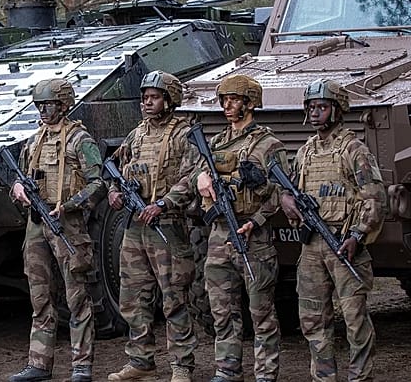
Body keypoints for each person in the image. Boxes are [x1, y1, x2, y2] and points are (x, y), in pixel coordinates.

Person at [172, 74, 286, 382]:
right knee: (222, 311)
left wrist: (255, 221)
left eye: (234, 100)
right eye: (224, 100)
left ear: (250, 103)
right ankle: (227, 369)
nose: (227, 105)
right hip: (219, 235)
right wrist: (200, 178)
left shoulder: (268, 144)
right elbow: (195, 172)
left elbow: (280, 192)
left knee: (261, 312)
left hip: (253, 237)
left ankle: (265, 374)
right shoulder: (216, 142)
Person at [280, 79, 385, 382]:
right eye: (311, 107)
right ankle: (324, 376)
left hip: (343, 243)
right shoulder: (305, 152)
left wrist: (357, 235)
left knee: (355, 318)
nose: (315, 113)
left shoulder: (354, 150)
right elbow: (287, 189)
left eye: (322, 107)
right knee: (313, 318)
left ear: (338, 110)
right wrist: (287, 201)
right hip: (312, 247)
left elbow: (375, 198)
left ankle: (360, 377)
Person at [8, 78, 105, 382]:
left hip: (67, 225)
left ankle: (81, 365)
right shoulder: (34, 141)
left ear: (63, 105)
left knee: (77, 297)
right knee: (40, 297)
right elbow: (21, 177)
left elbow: (98, 184)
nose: (42, 111)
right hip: (37, 223)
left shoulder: (80, 140)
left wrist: (70, 205)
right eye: (39, 106)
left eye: (48, 105)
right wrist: (18, 188)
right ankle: (38, 363)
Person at [106, 71, 198, 382]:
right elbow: (116, 171)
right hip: (135, 227)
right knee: (133, 298)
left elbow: (192, 179)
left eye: (154, 97)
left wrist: (163, 203)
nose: (147, 102)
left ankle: (181, 364)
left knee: (174, 298)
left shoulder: (184, 135)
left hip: (167, 226)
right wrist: (114, 193)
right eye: (145, 97)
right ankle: (141, 362)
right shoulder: (136, 136)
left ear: (169, 100)